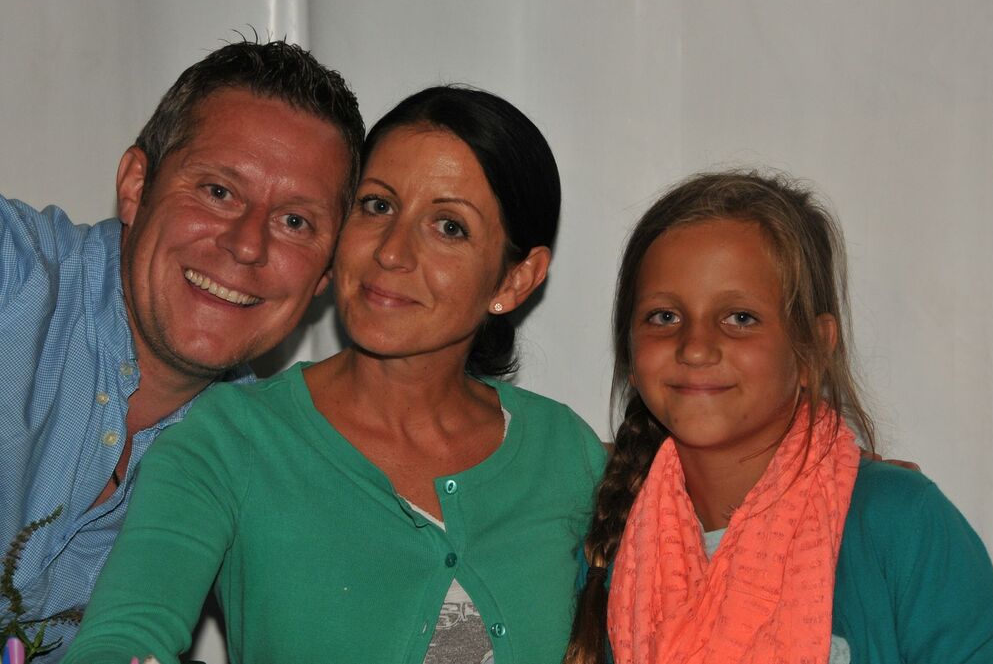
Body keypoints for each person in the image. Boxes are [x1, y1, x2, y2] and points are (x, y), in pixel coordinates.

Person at [62, 86, 608, 664]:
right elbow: (125, 633)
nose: (392, 252)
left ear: (516, 280)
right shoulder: (230, 438)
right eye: (378, 206)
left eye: (449, 226)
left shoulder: (565, 455)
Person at [0, 40, 363, 662]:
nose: (247, 244)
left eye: (295, 222)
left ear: (326, 274)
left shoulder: (257, 458)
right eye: (218, 191)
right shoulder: (15, 276)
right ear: (136, 186)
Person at [563, 171, 993, 664]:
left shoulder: (902, 524)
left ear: (812, 349)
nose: (695, 348)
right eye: (664, 317)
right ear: (629, 350)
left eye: (740, 318)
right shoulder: (609, 544)